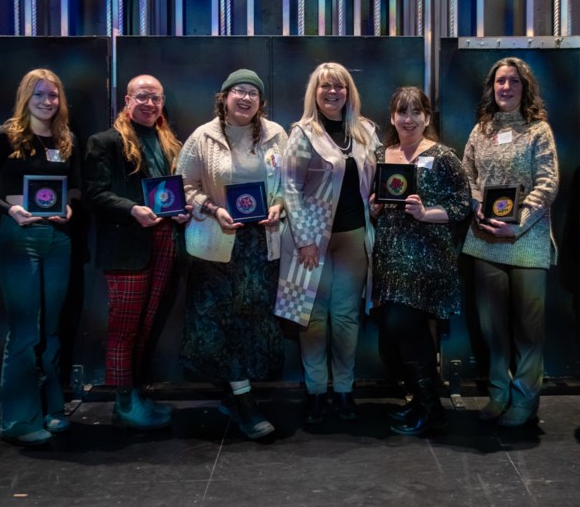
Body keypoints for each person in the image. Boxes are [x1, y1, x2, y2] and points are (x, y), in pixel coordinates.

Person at [0, 68, 80, 446]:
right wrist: (8, 210)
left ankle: (52, 408)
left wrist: (70, 208)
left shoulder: (66, 140)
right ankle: (18, 419)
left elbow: (76, 187)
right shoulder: (7, 135)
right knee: (25, 330)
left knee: (50, 328)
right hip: (20, 237)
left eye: (53, 95)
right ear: (25, 98)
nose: (47, 102)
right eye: (39, 95)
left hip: (58, 239)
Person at [177, 69, 287, 440]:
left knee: (252, 320)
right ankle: (243, 403)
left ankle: (235, 392)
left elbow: (291, 183)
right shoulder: (202, 137)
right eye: (238, 91)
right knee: (220, 323)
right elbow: (183, 187)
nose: (245, 98)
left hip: (261, 244)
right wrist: (211, 208)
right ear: (223, 97)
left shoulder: (277, 134)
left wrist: (282, 206)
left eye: (252, 93)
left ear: (261, 102)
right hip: (216, 243)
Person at [84, 74, 191, 430]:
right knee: (124, 328)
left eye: (156, 98)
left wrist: (180, 210)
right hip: (128, 245)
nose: (149, 103)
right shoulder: (105, 142)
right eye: (142, 96)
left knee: (146, 325)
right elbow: (94, 194)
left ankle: (135, 394)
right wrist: (132, 209)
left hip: (164, 241)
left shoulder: (168, 141)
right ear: (126, 101)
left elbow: (172, 191)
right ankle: (124, 403)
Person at [276, 62, 379, 424]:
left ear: (348, 91)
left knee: (347, 318)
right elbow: (289, 188)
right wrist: (304, 239)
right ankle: (317, 392)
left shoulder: (365, 131)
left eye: (339, 87)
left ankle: (345, 390)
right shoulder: (302, 133)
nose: (333, 93)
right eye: (325, 88)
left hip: (353, 238)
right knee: (313, 319)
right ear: (314, 94)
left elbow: (378, 181)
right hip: (312, 241)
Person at [462, 57, 559, 428]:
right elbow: (468, 176)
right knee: (492, 328)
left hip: (528, 242)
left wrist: (515, 225)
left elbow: (548, 183)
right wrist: (478, 211)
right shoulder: (480, 130)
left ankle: (524, 401)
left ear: (525, 87)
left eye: (514, 82)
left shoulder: (538, 131)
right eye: (500, 81)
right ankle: (498, 393)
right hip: (484, 240)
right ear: (492, 87)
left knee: (528, 330)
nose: (506, 88)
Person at [370, 87, 470, 435]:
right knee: (394, 335)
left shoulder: (443, 157)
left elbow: (462, 205)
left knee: (407, 331)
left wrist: (427, 213)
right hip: (390, 260)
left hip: (426, 260)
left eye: (416, 112)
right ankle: (419, 402)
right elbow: (376, 204)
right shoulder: (383, 154)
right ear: (392, 116)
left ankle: (432, 410)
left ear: (427, 117)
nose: (408, 119)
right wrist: (375, 207)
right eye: (402, 111)